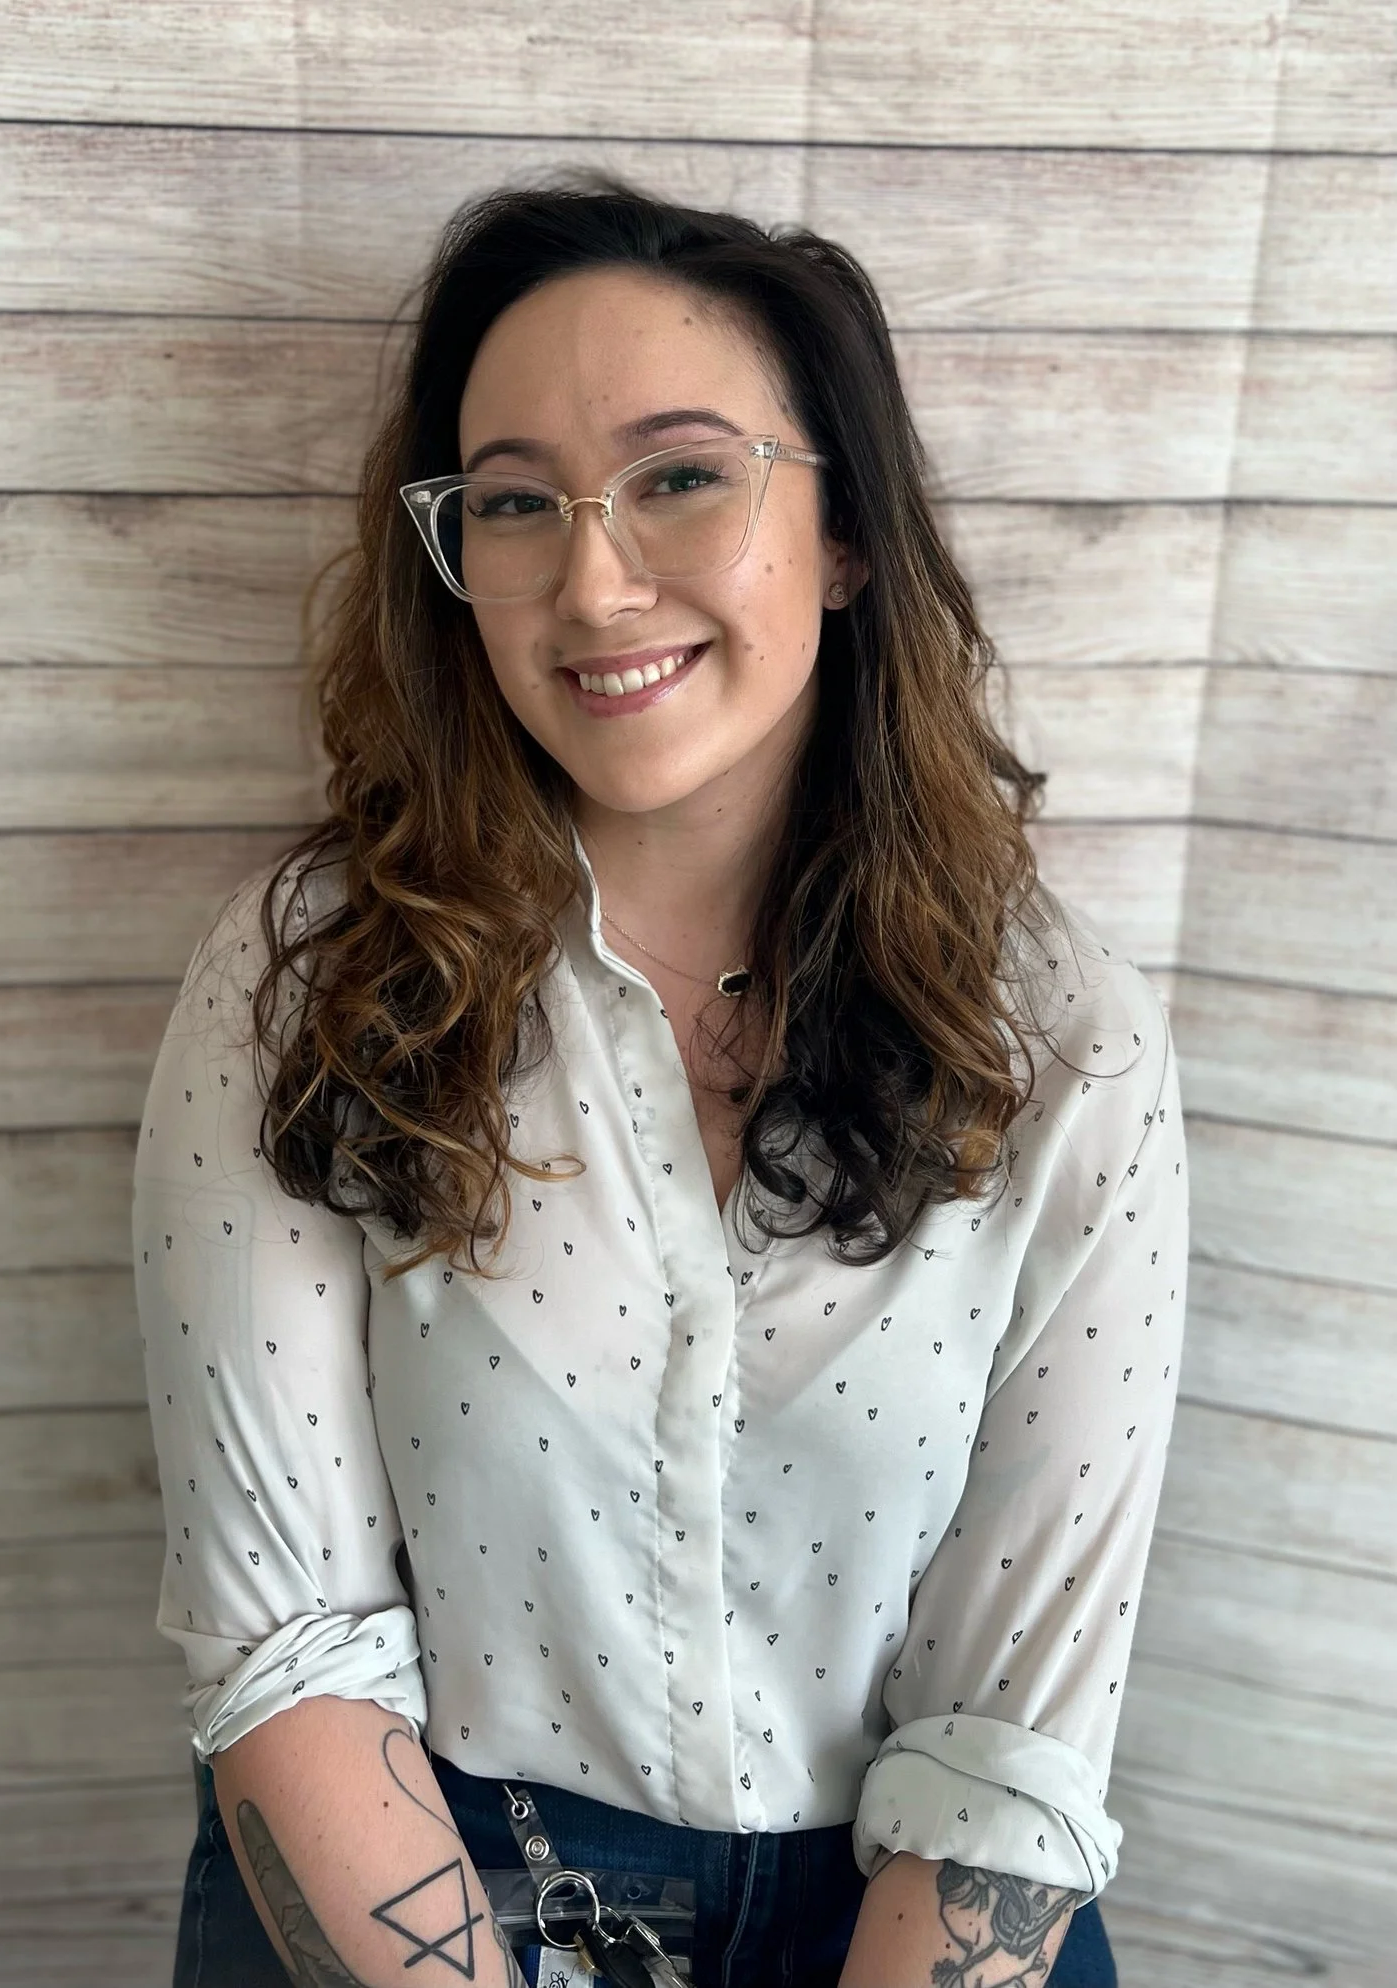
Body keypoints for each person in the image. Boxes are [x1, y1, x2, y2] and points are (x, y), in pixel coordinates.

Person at [133, 175, 1187, 1988]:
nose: (593, 577)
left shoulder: (1057, 1035)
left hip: (912, 1912)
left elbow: (1016, 1740)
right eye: (519, 502)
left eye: (682, 475)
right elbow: (287, 1642)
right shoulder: (307, 979)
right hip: (414, 1891)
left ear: (844, 534)